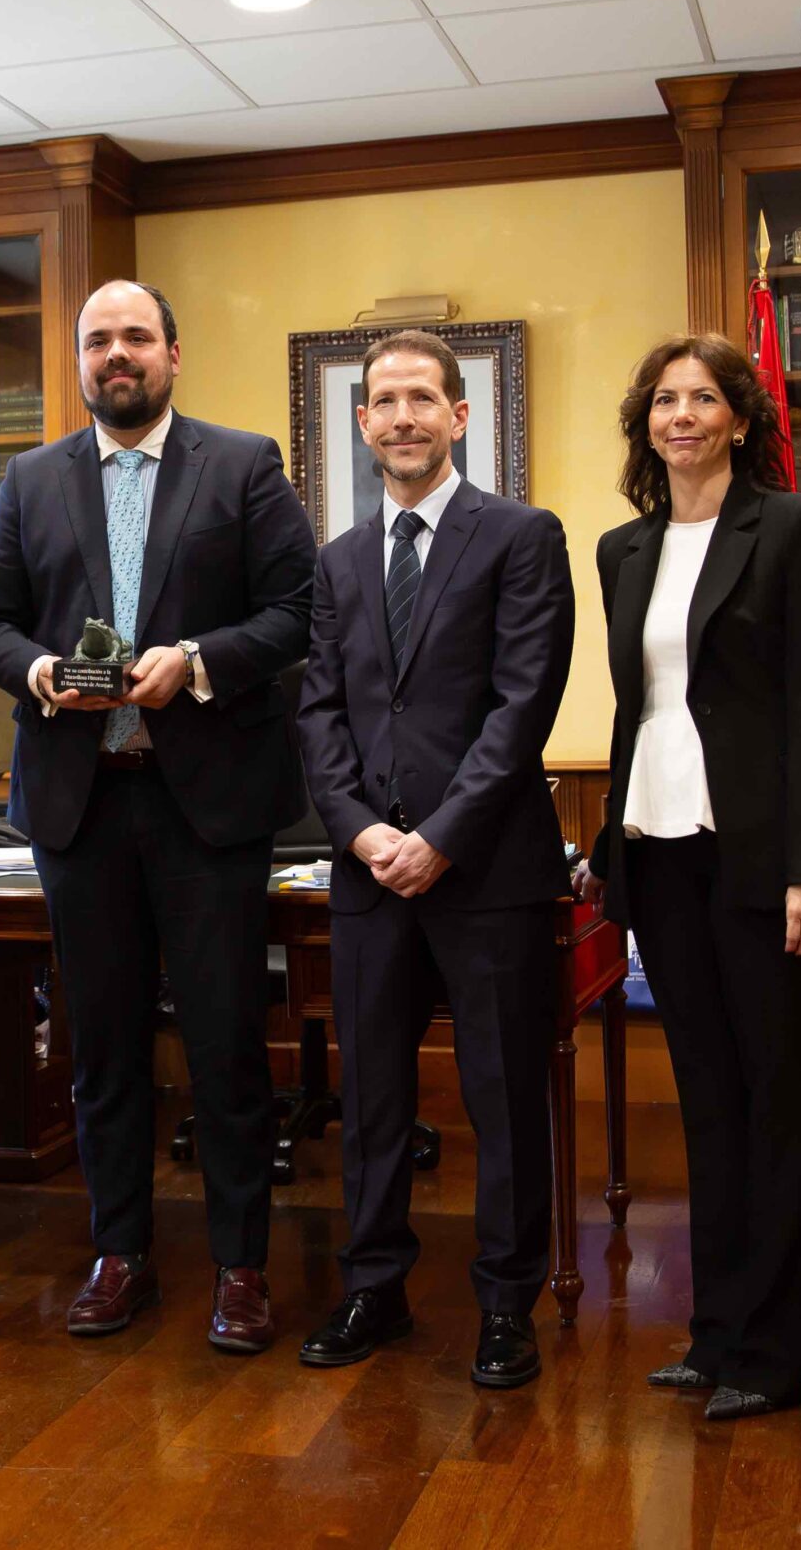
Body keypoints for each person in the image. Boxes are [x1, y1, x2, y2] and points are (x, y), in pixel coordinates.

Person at [0, 280, 314, 1353]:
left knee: (224, 1043)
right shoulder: (30, 478)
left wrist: (197, 660)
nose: (116, 355)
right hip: (81, 805)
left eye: (135, 337)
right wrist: (37, 673)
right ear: (80, 360)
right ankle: (118, 1251)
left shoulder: (242, 464)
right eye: (97, 340)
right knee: (103, 1047)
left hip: (206, 805)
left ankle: (240, 1265)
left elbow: (298, 612)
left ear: (172, 352)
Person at [573, 334, 801, 1420]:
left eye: (703, 398)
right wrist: (610, 848)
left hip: (765, 858)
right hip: (658, 848)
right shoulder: (622, 548)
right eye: (664, 399)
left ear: (740, 420)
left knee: (778, 1101)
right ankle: (716, 1333)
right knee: (706, 1099)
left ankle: (772, 1352)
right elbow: (640, 708)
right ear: (645, 423)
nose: (682, 415)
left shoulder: (791, 529)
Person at [293, 329, 575, 1390]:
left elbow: (522, 703)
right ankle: (375, 1284)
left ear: (459, 416)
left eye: (423, 398)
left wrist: (442, 835)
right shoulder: (337, 560)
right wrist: (361, 830)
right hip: (369, 872)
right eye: (385, 400)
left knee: (502, 1093)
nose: (403, 416)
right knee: (371, 1095)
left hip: (488, 869)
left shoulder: (520, 535)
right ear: (363, 421)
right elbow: (318, 712)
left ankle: (506, 1302)